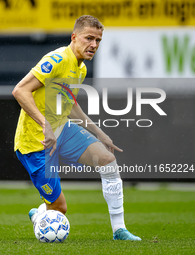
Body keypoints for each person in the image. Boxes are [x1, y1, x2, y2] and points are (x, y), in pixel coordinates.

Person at [12, 15, 141, 241]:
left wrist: (99, 133)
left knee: (108, 161)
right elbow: (20, 91)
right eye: (89, 38)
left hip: (62, 130)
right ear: (74, 37)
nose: (94, 45)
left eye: (98, 40)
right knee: (59, 208)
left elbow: (69, 105)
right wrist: (45, 125)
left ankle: (119, 230)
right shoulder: (57, 59)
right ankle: (40, 214)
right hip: (35, 142)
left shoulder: (80, 69)